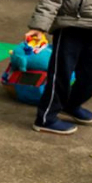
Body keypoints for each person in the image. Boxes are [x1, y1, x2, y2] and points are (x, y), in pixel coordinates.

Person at [28, 0, 92, 134]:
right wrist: (39, 26)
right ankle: (46, 118)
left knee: (89, 77)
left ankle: (71, 105)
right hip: (71, 25)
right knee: (61, 73)